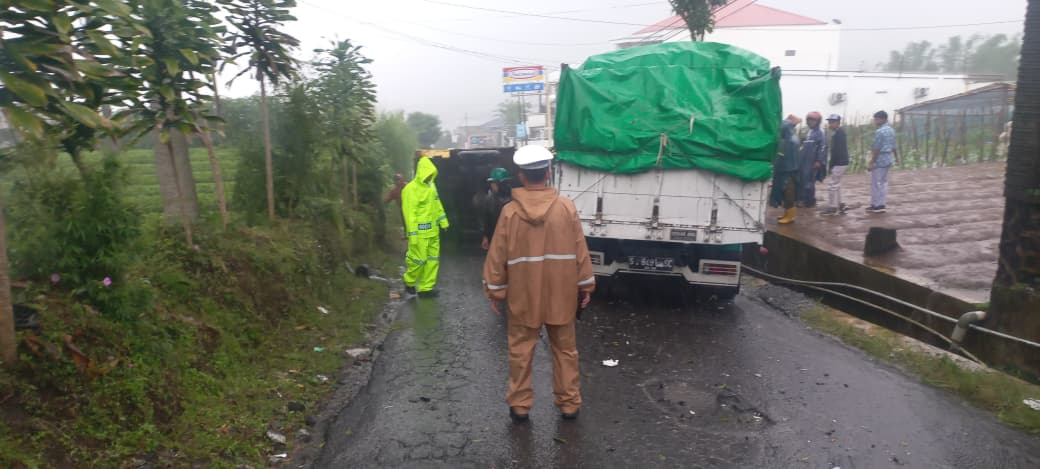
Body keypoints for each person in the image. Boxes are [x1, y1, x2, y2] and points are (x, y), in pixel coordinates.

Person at [482, 145, 595, 423]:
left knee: (520, 351)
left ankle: (520, 406)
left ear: (521, 176)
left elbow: (497, 255)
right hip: (561, 294)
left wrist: (495, 291)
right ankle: (569, 404)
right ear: (547, 174)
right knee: (565, 350)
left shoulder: (509, 213)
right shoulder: (566, 208)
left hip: (523, 295)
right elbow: (580, 251)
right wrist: (585, 285)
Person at [401, 158, 450, 297]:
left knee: (432, 260)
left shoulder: (431, 186)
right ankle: (409, 281)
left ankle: (426, 288)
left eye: (431, 174)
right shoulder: (410, 189)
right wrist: (412, 235)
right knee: (418, 260)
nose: (429, 177)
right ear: (421, 172)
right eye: (427, 174)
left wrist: (443, 222)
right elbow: (410, 214)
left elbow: (437, 204)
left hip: (433, 232)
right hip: (420, 234)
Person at [770, 115, 801, 224]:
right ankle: (787, 214)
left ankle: (790, 216)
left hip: (788, 172)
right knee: (785, 193)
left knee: (788, 193)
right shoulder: (791, 139)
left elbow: (784, 156)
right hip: (787, 170)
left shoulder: (790, 141)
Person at [867, 110, 899, 213]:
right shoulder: (891, 130)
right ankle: (881, 204)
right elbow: (894, 146)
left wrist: (871, 162)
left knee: (876, 183)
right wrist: (897, 158)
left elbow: (876, 148)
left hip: (880, 159)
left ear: (883, 119)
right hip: (888, 158)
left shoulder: (880, 132)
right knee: (884, 182)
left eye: (876, 119)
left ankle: (875, 205)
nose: (875, 121)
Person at [797, 111, 827, 208]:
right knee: (803, 179)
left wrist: (819, 160)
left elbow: (822, 147)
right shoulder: (810, 132)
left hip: (813, 161)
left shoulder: (820, 132)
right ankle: (804, 199)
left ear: (818, 121)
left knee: (809, 181)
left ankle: (809, 201)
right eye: (809, 120)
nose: (810, 122)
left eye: (813, 120)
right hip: (805, 161)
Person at [821, 114, 849, 216]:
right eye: (829, 122)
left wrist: (831, 165)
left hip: (839, 162)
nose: (830, 124)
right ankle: (841, 204)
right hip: (842, 162)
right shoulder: (839, 132)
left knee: (832, 185)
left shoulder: (838, 134)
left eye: (832, 122)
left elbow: (836, 152)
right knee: (836, 184)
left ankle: (833, 208)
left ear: (838, 122)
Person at [481, 167, 513, 250]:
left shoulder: (514, 199)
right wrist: (485, 236)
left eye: (494, 183)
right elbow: (486, 220)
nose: (492, 185)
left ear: (502, 184)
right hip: (495, 238)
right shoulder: (489, 199)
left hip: (511, 240)